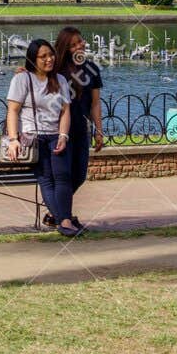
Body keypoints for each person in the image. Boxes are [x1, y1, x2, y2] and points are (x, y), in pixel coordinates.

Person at [4, 38, 75, 237]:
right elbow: (13, 111)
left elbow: (65, 111)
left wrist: (63, 135)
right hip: (33, 137)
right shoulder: (22, 79)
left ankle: (63, 220)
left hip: (55, 135)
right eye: (43, 56)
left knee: (63, 178)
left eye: (50, 55)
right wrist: (13, 139)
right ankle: (65, 221)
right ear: (33, 59)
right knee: (46, 179)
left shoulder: (59, 80)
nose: (49, 59)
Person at [51, 26, 103, 231]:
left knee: (79, 175)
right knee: (63, 176)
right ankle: (64, 217)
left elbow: (95, 103)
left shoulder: (91, 68)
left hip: (81, 128)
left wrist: (99, 130)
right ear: (65, 48)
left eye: (80, 41)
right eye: (73, 44)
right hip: (58, 130)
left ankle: (56, 212)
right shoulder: (55, 69)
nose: (80, 45)